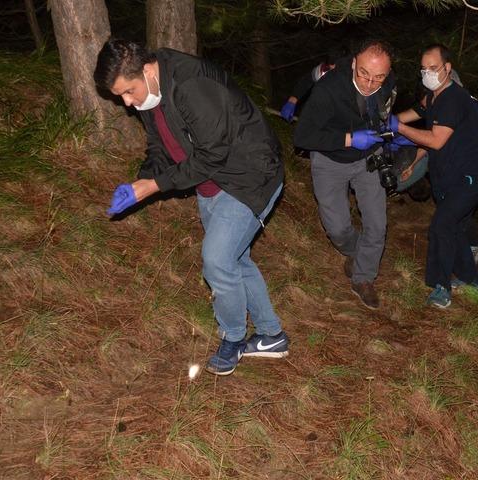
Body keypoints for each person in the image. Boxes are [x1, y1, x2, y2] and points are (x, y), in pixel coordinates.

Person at [94, 39, 288, 376]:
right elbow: (159, 148)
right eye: (120, 97)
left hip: (250, 176)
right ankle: (272, 336)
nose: (127, 102)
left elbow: (214, 154)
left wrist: (155, 185)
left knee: (216, 261)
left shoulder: (192, 85)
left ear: (147, 69)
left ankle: (233, 338)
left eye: (128, 92)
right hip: (212, 182)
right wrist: (139, 184)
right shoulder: (152, 93)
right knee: (234, 259)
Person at [293, 39, 397, 310]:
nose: (369, 83)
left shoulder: (385, 84)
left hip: (368, 159)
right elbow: (303, 136)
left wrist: (386, 129)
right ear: (353, 63)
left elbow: (384, 108)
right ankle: (355, 251)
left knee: (377, 224)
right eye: (364, 73)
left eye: (378, 77)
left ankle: (363, 278)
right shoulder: (329, 90)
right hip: (330, 160)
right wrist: (350, 139)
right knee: (337, 228)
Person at [389, 44, 478, 308]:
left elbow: (435, 139)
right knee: (455, 228)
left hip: (469, 178)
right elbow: (418, 113)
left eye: (433, 68)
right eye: (423, 69)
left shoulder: (454, 98)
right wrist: (385, 122)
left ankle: (441, 286)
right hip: (448, 177)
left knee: (442, 225)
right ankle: (472, 282)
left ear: (447, 68)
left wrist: (398, 128)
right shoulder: (434, 97)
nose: (428, 74)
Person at [278, 50, 345, 122]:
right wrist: (292, 100)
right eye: (331, 69)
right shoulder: (323, 70)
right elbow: (307, 81)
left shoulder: (354, 81)